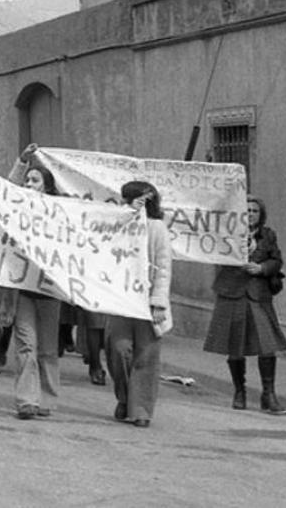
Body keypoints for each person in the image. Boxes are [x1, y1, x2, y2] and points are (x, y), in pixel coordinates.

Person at [203, 195, 286, 415]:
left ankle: (268, 394)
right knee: (235, 345)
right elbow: (213, 253)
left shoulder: (267, 235)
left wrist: (261, 269)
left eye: (254, 211)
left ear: (260, 215)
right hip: (232, 291)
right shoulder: (228, 233)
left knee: (267, 344)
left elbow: (276, 260)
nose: (250, 215)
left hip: (258, 294)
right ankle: (239, 391)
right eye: (247, 211)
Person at [0, 143, 61, 419]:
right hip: (23, 287)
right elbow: (6, 190)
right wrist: (22, 162)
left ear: (46, 186)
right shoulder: (17, 208)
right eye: (28, 180)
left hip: (49, 288)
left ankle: (46, 399)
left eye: (35, 180)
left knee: (47, 348)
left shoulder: (59, 211)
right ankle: (26, 399)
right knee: (26, 344)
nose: (29, 184)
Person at [106, 181, 173, 428]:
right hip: (121, 299)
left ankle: (141, 409)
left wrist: (159, 303)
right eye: (131, 199)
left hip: (147, 301)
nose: (137, 204)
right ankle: (124, 397)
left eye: (143, 200)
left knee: (146, 354)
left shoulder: (157, 228)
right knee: (119, 350)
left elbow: (164, 268)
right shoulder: (116, 225)